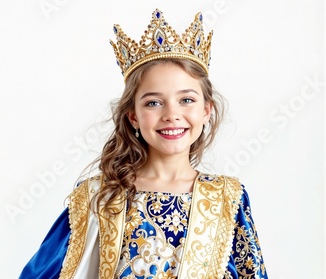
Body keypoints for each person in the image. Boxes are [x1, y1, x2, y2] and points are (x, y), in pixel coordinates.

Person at [19, 8, 267, 279]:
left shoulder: (227, 198)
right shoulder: (97, 199)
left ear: (206, 110)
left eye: (186, 100)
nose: (171, 114)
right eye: (153, 102)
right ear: (133, 116)